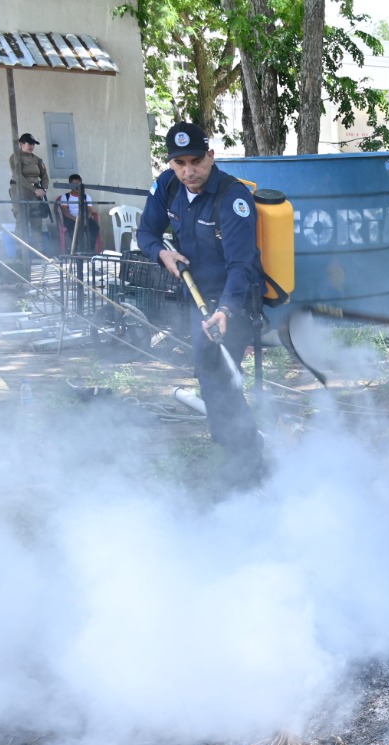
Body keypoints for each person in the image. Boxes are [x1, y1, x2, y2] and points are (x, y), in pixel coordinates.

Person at [136, 123, 267, 487]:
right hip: (197, 298)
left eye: (196, 160)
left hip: (235, 299)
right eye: (179, 163)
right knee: (210, 377)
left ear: (211, 156)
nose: (188, 171)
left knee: (220, 378)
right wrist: (161, 253)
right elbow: (145, 232)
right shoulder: (168, 185)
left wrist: (225, 310)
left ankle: (248, 463)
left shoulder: (232, 197)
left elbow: (241, 264)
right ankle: (235, 450)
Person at [9, 133, 50, 250]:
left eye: (33, 144)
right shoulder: (15, 157)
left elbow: (45, 176)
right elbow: (18, 177)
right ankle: (20, 252)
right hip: (20, 191)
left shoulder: (37, 159)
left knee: (36, 222)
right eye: (29, 143)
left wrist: (44, 189)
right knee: (21, 221)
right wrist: (34, 189)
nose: (31, 146)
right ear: (21, 143)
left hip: (36, 194)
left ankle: (39, 251)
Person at [57, 174, 99, 255]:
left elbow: (90, 210)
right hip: (71, 218)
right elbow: (65, 211)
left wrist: (86, 219)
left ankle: (90, 250)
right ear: (70, 185)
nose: (77, 187)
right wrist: (76, 220)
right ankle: (76, 251)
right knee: (73, 229)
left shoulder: (86, 197)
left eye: (78, 185)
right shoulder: (65, 197)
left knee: (94, 227)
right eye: (74, 185)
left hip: (84, 218)